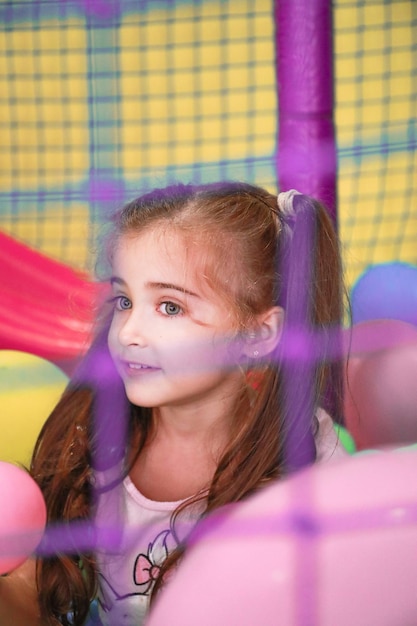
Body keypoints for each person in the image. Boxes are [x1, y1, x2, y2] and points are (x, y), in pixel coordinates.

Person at [0, 181, 347, 626]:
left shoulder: (305, 460)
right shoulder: (99, 433)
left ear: (257, 336)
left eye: (169, 307)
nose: (128, 332)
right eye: (125, 300)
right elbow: (39, 596)